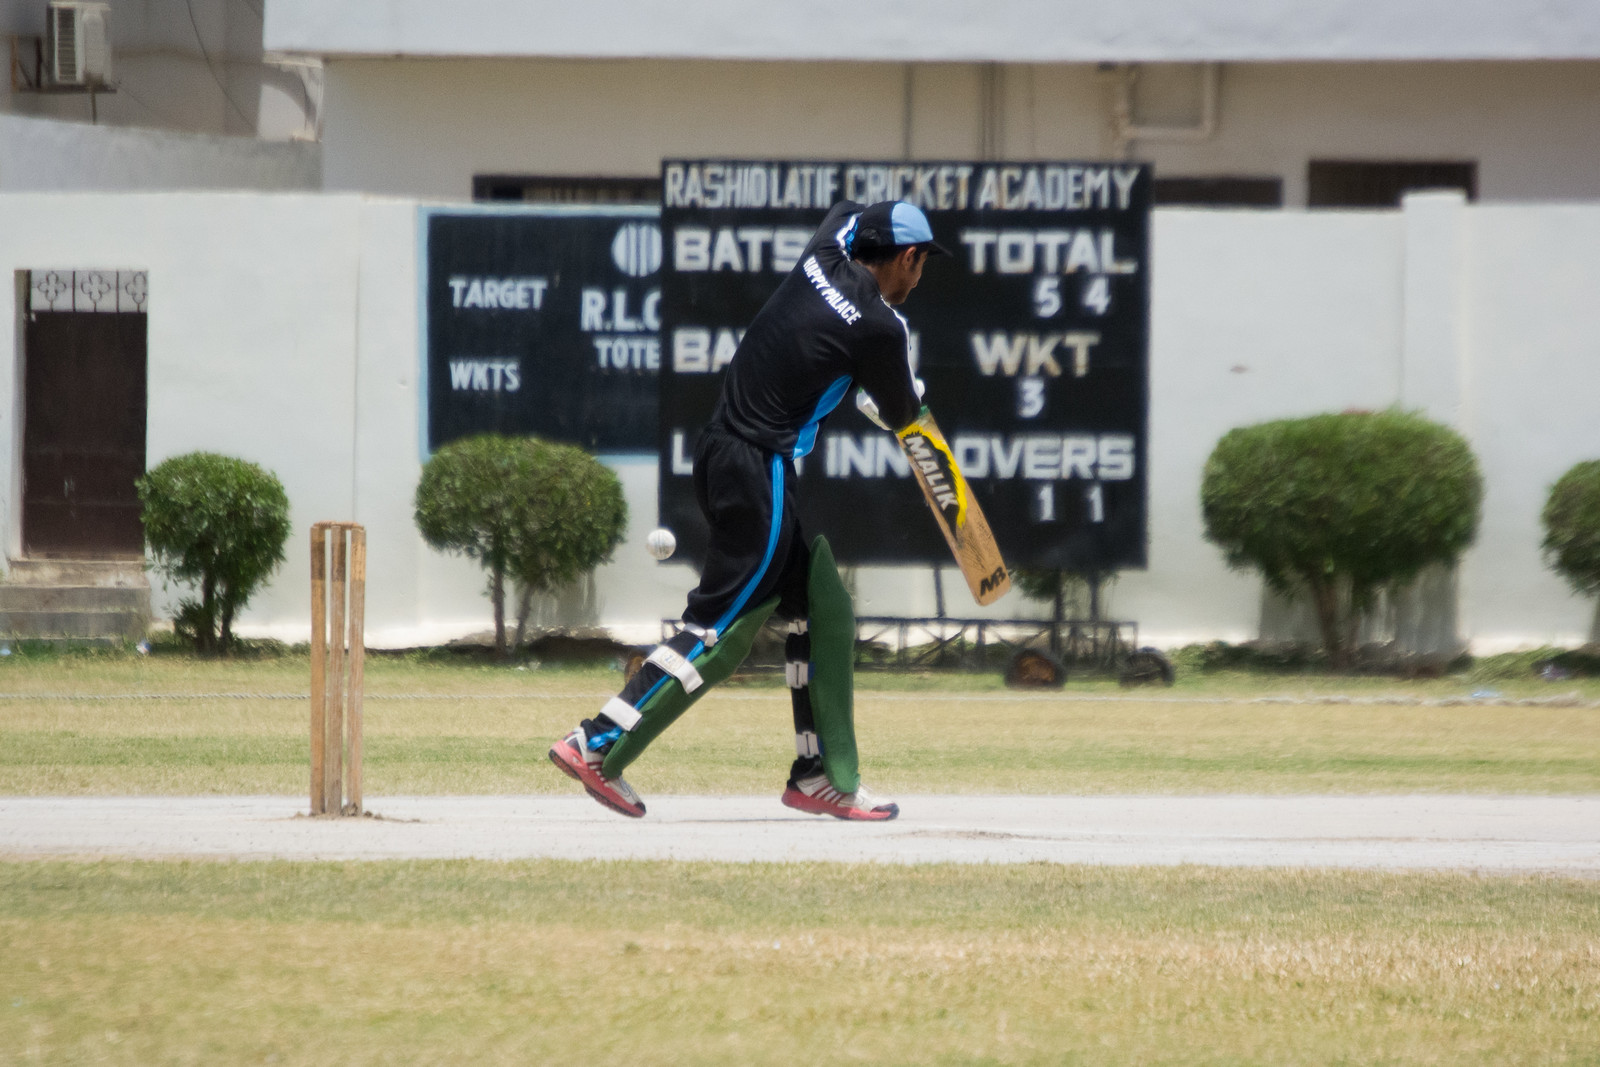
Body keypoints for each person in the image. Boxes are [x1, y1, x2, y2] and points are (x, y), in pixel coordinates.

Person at [549, 199, 948, 820]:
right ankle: (595, 742)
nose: (918, 282)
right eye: (920, 267)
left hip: (719, 450)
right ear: (909, 257)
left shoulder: (823, 253)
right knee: (717, 628)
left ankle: (820, 773)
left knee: (821, 607)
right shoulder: (880, 324)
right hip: (761, 468)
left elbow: (845, 210)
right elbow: (903, 416)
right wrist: (900, 389)